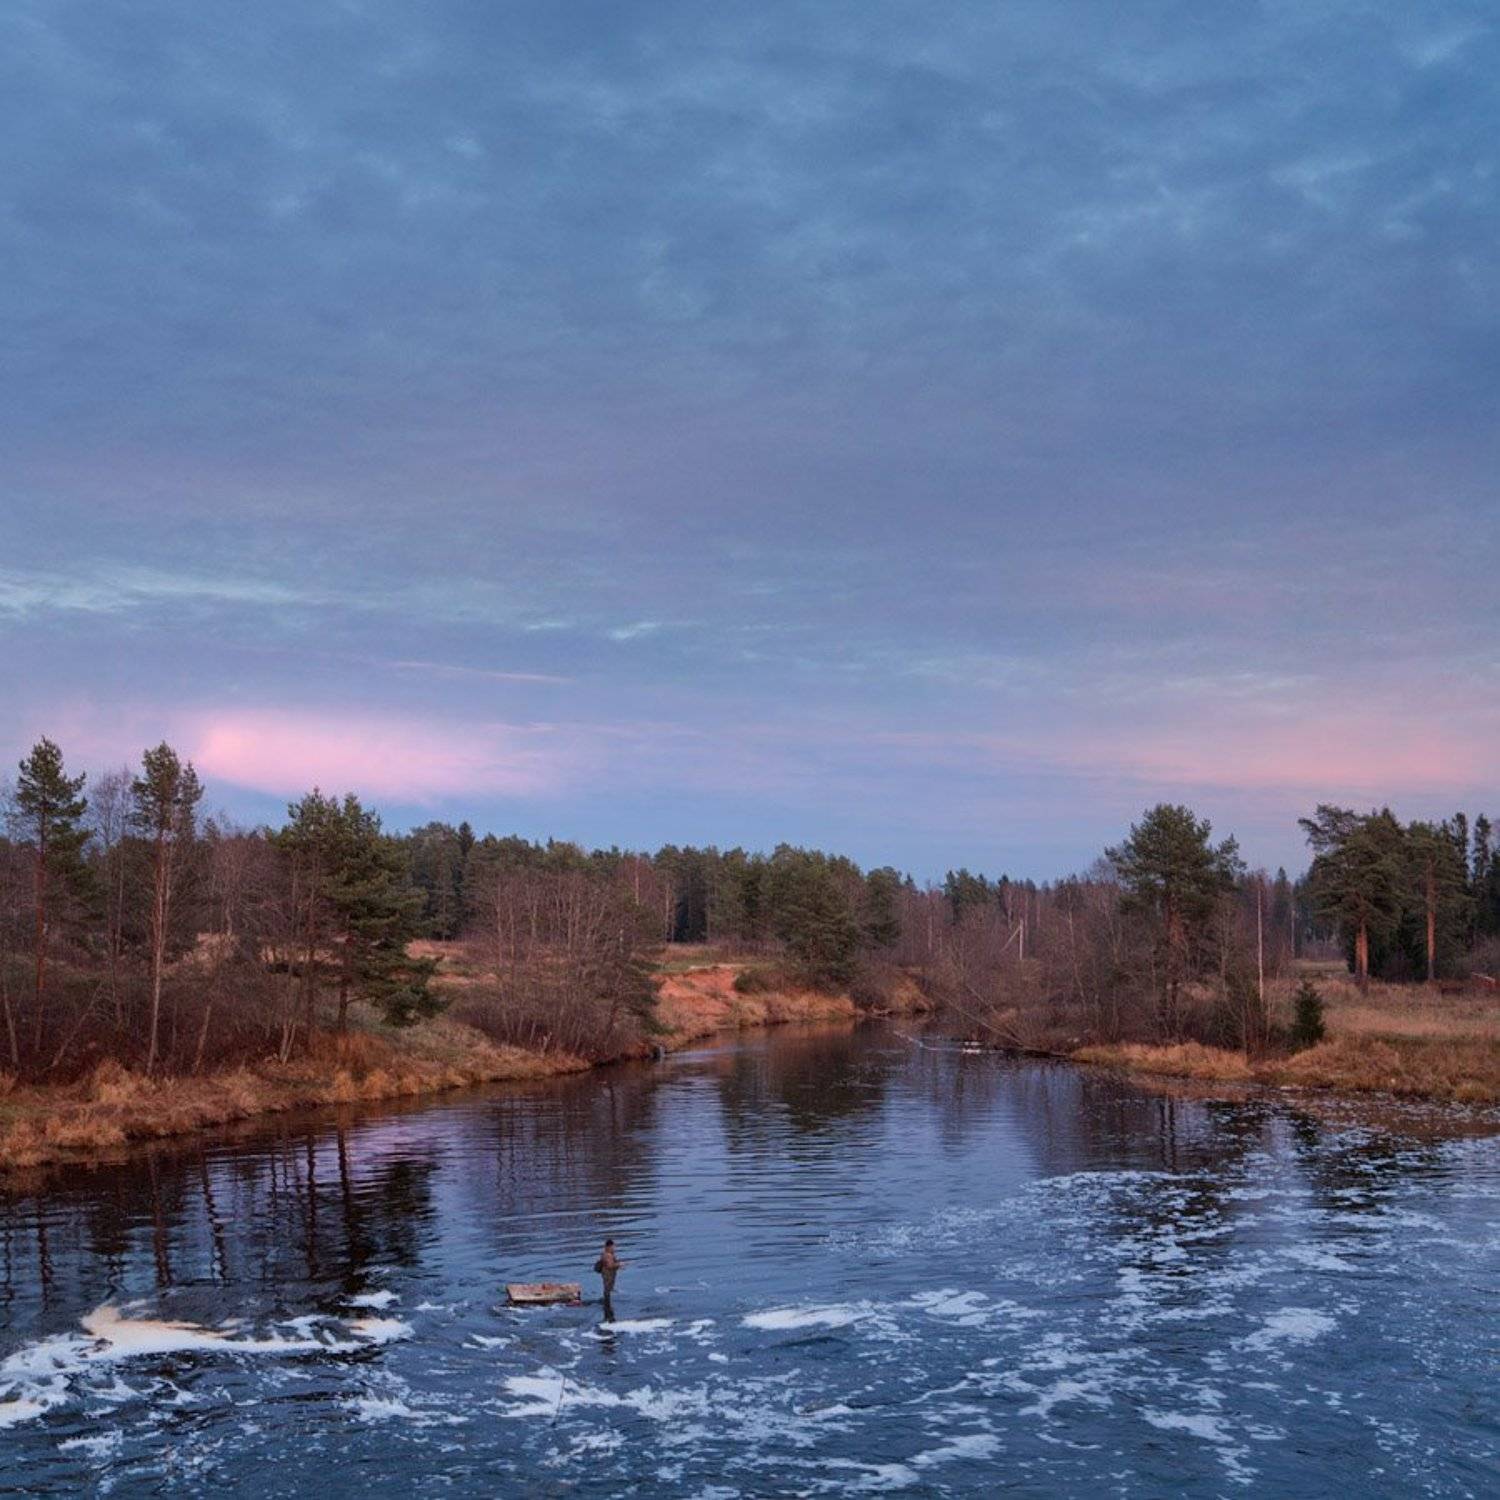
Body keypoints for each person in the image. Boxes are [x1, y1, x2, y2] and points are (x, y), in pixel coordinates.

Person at [593, 1238, 622, 1319]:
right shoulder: (607, 1255)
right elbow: (610, 1266)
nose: (614, 1248)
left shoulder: (608, 1254)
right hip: (607, 1274)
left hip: (609, 1274)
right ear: (609, 1246)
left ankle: (607, 1305)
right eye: (613, 1246)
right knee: (607, 1289)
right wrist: (619, 1264)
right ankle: (607, 1306)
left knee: (608, 1289)